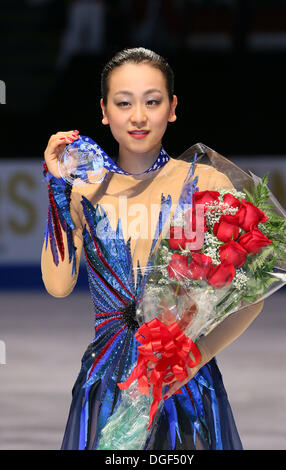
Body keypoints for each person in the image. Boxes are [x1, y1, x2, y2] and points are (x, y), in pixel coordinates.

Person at [41, 47, 264, 450]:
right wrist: (58, 191)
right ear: (105, 111)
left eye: (153, 101)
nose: (139, 116)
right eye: (124, 103)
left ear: (172, 107)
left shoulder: (207, 183)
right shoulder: (86, 191)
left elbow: (251, 296)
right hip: (107, 387)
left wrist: (194, 356)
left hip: (185, 383)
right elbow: (58, 286)